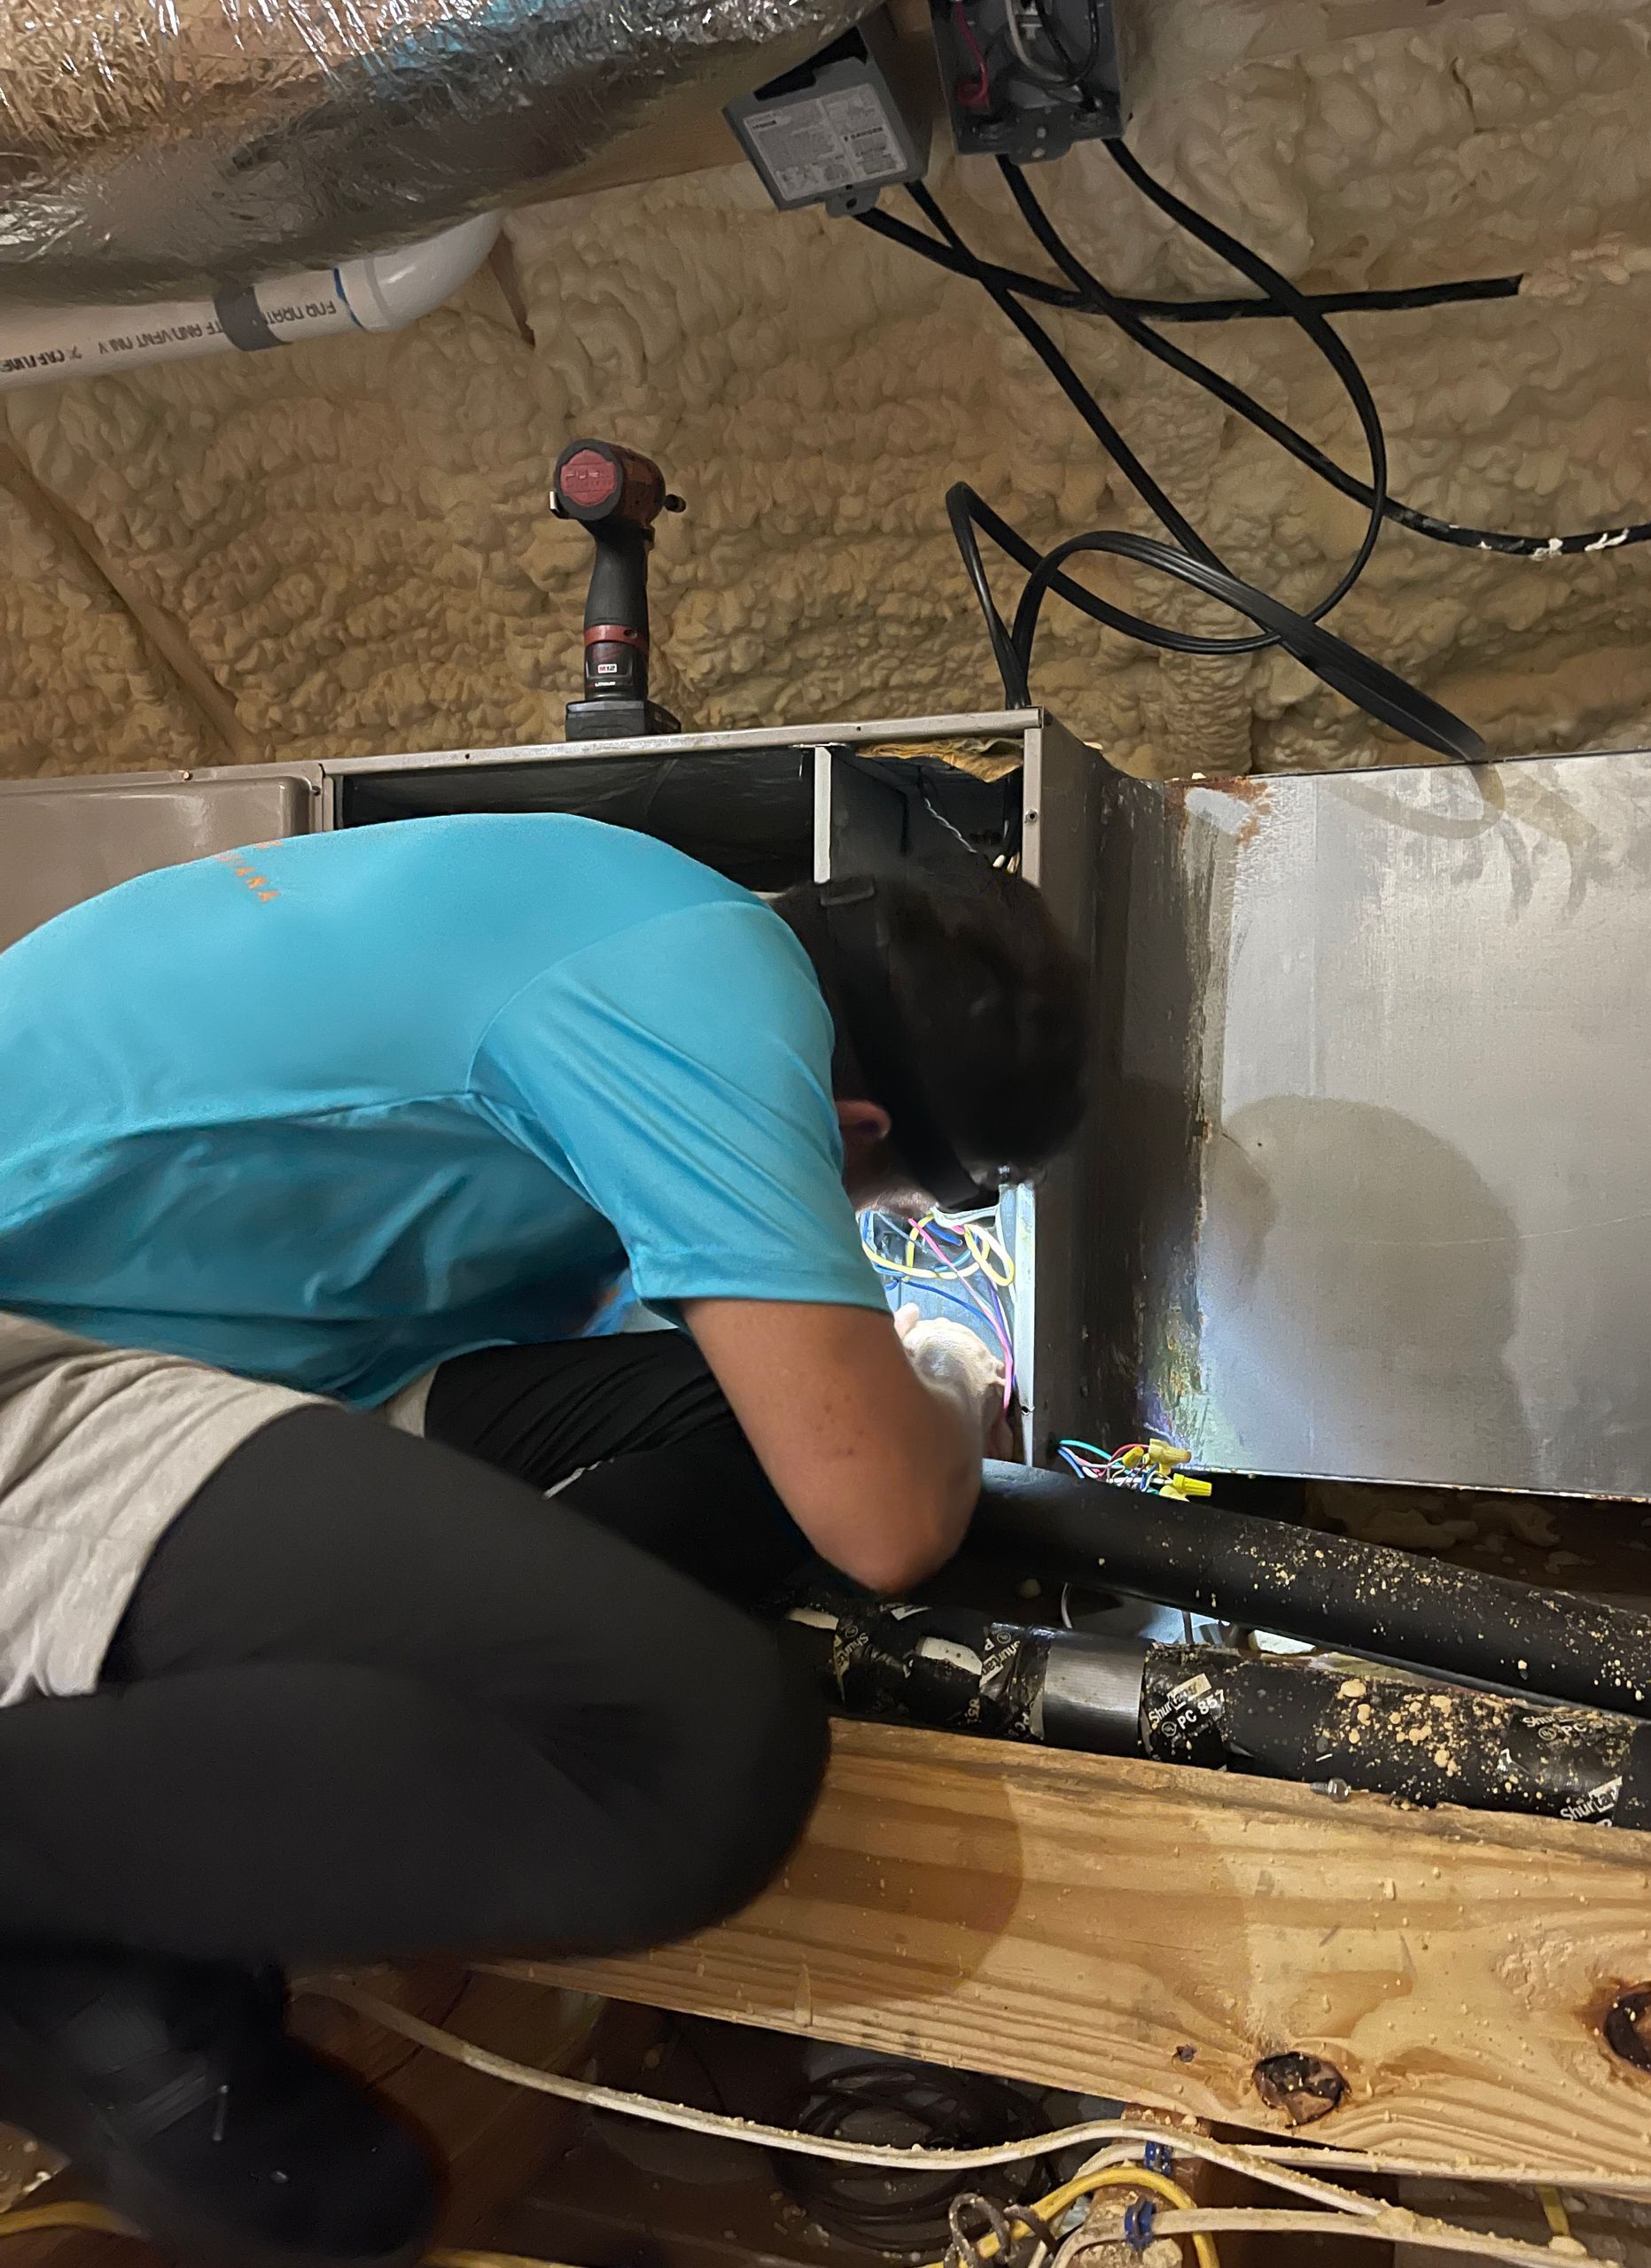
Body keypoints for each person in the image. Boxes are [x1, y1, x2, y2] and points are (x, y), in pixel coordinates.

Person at [0, 812, 1087, 2268]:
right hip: (39, 1385)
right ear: (857, 1134)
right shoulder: (702, 988)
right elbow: (881, 1516)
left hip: (177, 1382)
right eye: (862, 1211)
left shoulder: (632, 916)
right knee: (694, 1751)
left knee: (718, 1455)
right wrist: (950, 1385)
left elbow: (749, 1435)